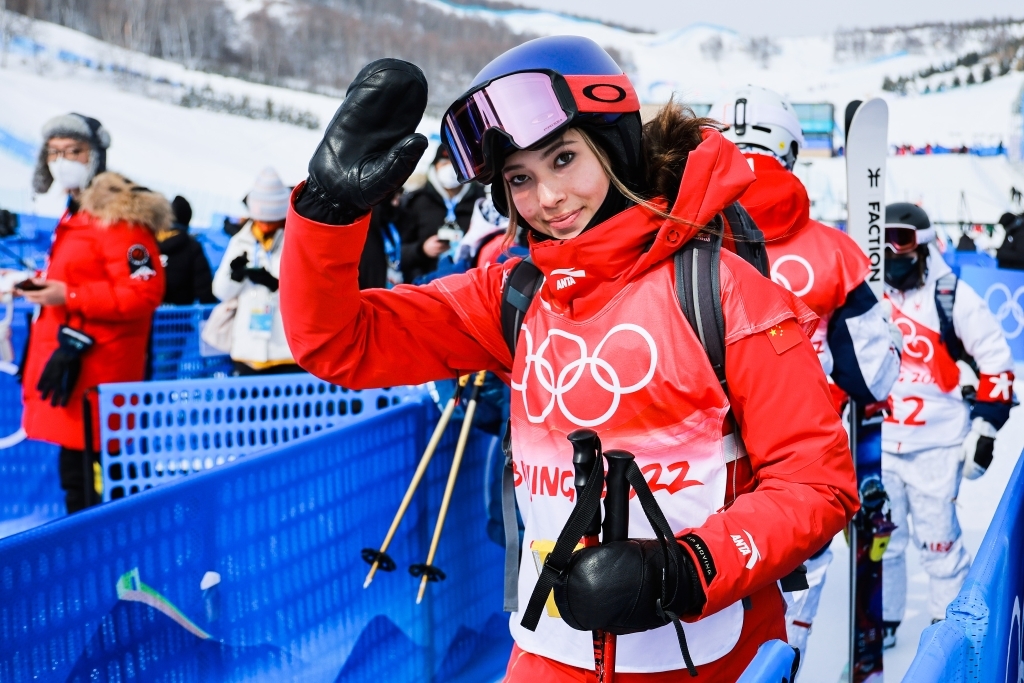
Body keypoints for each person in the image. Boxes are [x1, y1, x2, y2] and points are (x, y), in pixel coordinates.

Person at [280, 38, 859, 680]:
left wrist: (684, 568)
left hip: (712, 655)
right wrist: (327, 216)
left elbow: (816, 482)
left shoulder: (720, 289)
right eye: (520, 178)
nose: (549, 198)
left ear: (612, 148)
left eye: (563, 158)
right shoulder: (515, 297)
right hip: (552, 655)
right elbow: (341, 342)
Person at [713, 86, 902, 669]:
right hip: (799, 472)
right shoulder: (833, 253)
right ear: (790, 150)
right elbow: (874, 376)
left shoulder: (668, 240)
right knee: (789, 609)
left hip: (692, 477)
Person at [881, 202, 1015, 646]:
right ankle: (882, 622)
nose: (890, 254)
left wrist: (985, 430)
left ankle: (949, 634)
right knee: (886, 543)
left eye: (900, 244)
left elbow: (997, 362)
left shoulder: (951, 295)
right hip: (881, 441)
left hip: (936, 441)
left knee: (938, 544)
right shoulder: (869, 293)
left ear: (920, 247)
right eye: (883, 244)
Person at [19, 138, 166, 512]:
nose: (61, 161)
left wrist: (67, 296)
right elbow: (76, 276)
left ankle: (114, 564)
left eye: (73, 151)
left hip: (100, 377)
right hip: (72, 371)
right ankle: (92, 562)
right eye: (53, 152)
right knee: (76, 480)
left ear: (95, 156)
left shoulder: (121, 221)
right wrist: (34, 282)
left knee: (100, 487)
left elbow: (142, 293)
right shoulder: (75, 217)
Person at [212, 167, 299, 375]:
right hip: (247, 349)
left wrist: (276, 285)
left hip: (286, 351)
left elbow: (310, 292)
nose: (266, 227)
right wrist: (235, 276)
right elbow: (220, 292)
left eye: (271, 221)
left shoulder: (295, 241)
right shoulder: (240, 240)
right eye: (262, 221)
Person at [398, 146, 484, 282]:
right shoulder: (416, 202)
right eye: (444, 163)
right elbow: (396, 252)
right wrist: (422, 250)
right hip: (425, 286)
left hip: (469, 285)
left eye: (455, 165)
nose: (450, 169)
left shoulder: (480, 201)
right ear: (435, 166)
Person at [156, 195, 216, 305]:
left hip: (147, 312)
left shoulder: (148, 242)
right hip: (180, 316)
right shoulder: (192, 247)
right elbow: (204, 286)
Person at [358, 189, 404, 290]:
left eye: (398, 199)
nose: (396, 204)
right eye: (393, 199)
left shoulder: (393, 221)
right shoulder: (367, 228)